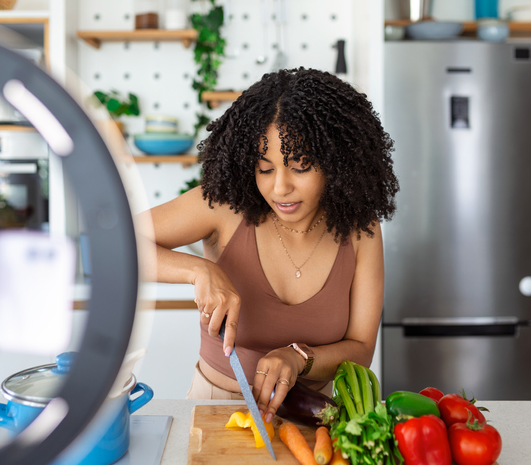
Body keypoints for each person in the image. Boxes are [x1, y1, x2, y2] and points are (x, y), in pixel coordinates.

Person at [143, 67, 398, 424]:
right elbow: (114, 244)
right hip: (216, 406)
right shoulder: (223, 205)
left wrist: (300, 358)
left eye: (301, 166)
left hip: (315, 418)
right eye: (265, 169)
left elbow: (361, 348)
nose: (280, 188)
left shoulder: (360, 227)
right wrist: (199, 269)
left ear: (337, 161)